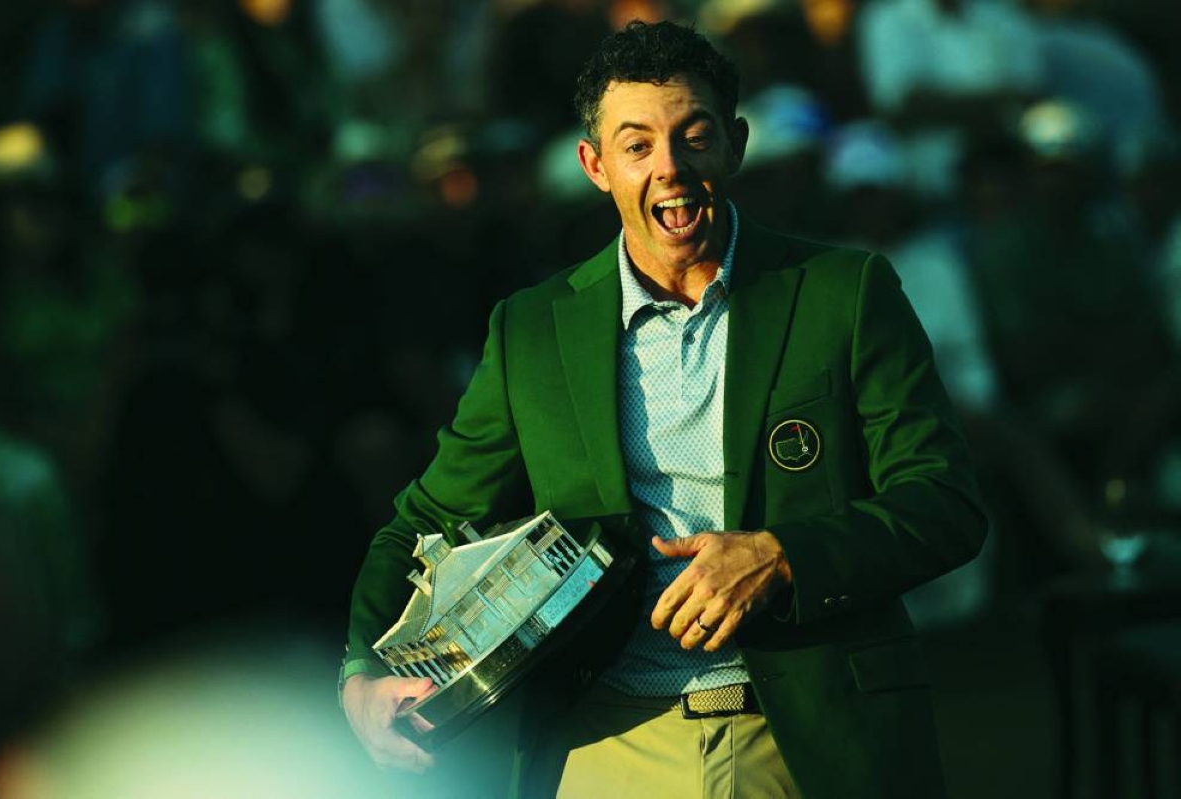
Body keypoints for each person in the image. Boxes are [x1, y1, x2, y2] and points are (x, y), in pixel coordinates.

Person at [341, 20, 986, 798]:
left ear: (736, 144)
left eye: (694, 136)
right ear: (595, 164)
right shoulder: (534, 330)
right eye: (637, 144)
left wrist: (782, 554)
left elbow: (945, 503)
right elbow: (425, 521)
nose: (670, 169)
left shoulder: (844, 292)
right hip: (605, 736)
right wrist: (361, 677)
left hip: (807, 737)